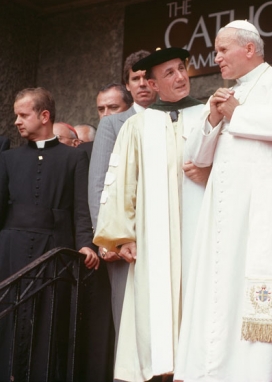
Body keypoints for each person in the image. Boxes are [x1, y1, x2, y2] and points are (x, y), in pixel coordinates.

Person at [175, 20, 272, 382]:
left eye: (222, 50)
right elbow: (196, 157)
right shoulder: (222, 95)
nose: (216, 57)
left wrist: (236, 113)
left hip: (267, 208)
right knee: (222, 293)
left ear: (249, 49)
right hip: (223, 215)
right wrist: (214, 118)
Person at [93, 47, 206, 382]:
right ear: (153, 84)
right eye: (169, 73)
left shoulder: (207, 116)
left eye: (181, 69)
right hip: (153, 240)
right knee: (152, 319)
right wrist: (121, 235)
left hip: (200, 234)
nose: (180, 77)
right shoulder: (137, 126)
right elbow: (119, 181)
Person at [0, 88, 99, 381]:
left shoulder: (74, 157)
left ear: (44, 116)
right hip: (12, 248)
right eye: (16, 115)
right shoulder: (7, 158)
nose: (16, 121)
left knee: (49, 319)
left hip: (54, 247)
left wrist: (85, 244)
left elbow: (81, 207)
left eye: (23, 115)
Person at [89, 50, 157, 357]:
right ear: (127, 85)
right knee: (126, 325)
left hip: (163, 236)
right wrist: (106, 240)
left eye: (147, 76)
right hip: (122, 240)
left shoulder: (174, 116)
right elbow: (99, 183)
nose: (142, 83)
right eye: (135, 78)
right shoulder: (113, 124)